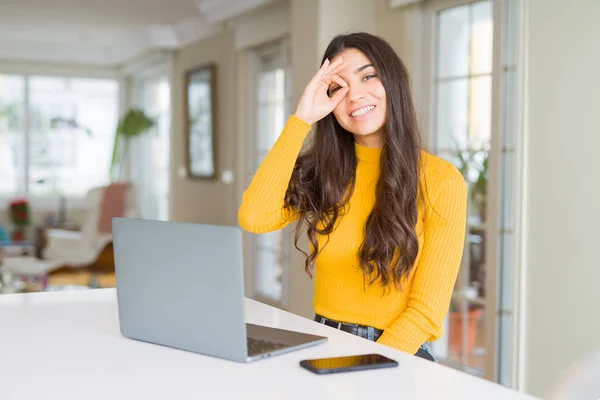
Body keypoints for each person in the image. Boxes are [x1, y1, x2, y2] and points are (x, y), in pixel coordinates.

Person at [238, 32, 467, 362]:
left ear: (393, 82)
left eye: (368, 76)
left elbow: (426, 313)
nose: (355, 95)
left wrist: (366, 367)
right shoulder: (323, 173)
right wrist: (301, 119)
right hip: (323, 341)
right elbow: (254, 217)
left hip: (397, 355)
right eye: (338, 86)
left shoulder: (441, 181)